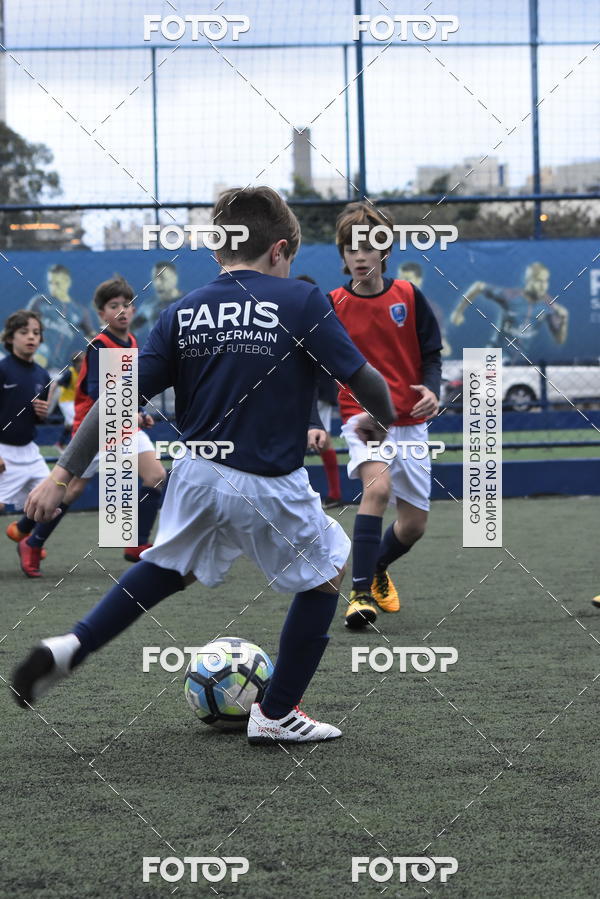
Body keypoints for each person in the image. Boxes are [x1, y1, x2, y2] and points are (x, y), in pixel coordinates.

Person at [12, 186, 394, 745]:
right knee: (331, 567)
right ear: (281, 250)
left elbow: (118, 399)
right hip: (268, 480)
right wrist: (380, 423)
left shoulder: (181, 310)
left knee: (169, 568)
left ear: (218, 253)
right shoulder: (303, 302)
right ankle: (277, 711)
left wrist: (61, 474)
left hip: (194, 474)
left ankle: (73, 644)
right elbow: (366, 381)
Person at [330, 203, 443, 629]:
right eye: (351, 248)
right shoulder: (333, 304)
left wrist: (431, 387)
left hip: (410, 422)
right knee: (376, 491)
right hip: (361, 418)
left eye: (369, 246)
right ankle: (358, 596)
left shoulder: (409, 296)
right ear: (342, 255)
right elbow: (318, 367)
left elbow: (431, 353)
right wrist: (309, 421)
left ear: (385, 251)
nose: (360, 255)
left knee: (413, 525)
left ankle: (375, 567)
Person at [13, 277, 167, 577]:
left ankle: (136, 543)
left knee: (156, 476)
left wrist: (140, 412)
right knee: (70, 492)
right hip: (94, 431)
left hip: (123, 428)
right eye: (114, 306)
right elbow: (99, 395)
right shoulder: (99, 345)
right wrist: (130, 413)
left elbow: (132, 388)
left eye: (128, 305)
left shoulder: (133, 342)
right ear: (101, 314)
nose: (123, 311)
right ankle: (32, 540)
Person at [450, 262, 569, 362]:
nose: (543, 286)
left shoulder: (549, 305)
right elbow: (478, 286)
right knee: (473, 386)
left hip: (519, 363)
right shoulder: (511, 296)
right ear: (528, 281)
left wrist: (564, 321)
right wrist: (458, 312)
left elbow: (559, 340)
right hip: (494, 356)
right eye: (538, 281)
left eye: (546, 281)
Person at [0, 311, 51, 527]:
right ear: (11, 338)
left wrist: (42, 414)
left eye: (36, 333)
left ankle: (24, 537)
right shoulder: (2, 369)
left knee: (51, 498)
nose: (31, 337)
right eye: (24, 332)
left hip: (30, 451)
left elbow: (38, 420)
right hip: (4, 451)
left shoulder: (43, 375)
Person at [296, 275, 343, 509]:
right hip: (301, 386)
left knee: (319, 438)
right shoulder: (297, 315)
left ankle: (334, 493)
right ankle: (305, 494)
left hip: (319, 386)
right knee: (304, 440)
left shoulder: (321, 315)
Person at [27, 264, 97, 370]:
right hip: (35, 358)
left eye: (57, 283)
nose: (53, 287)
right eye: (51, 283)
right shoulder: (40, 302)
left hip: (55, 369)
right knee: (42, 350)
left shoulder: (81, 311)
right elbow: (19, 324)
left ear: (67, 282)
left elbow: (93, 339)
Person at [398, 261, 452, 357]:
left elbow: (443, 346)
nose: (402, 283)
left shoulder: (433, 310)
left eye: (407, 279)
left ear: (419, 280)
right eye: (399, 279)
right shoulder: (388, 306)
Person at [49, 351, 84, 449]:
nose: (85, 362)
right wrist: (50, 399)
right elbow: (55, 384)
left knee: (69, 424)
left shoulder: (84, 373)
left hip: (75, 402)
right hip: (66, 401)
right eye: (83, 361)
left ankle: (59, 443)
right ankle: (76, 446)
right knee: (77, 421)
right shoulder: (69, 373)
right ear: (77, 363)